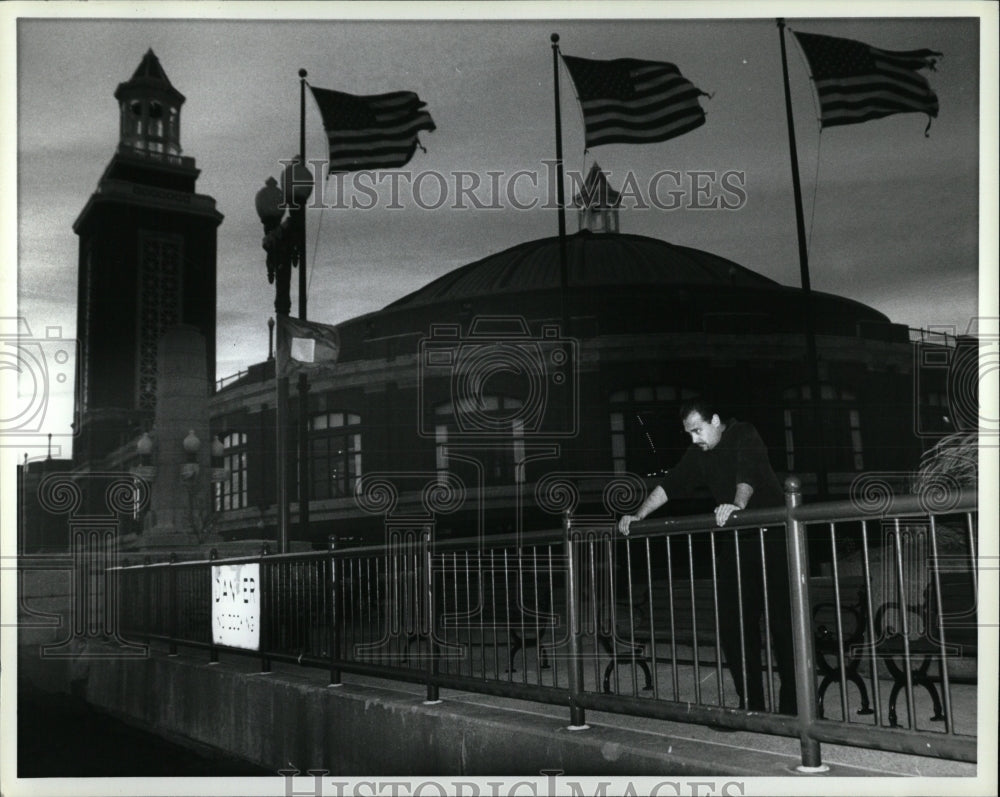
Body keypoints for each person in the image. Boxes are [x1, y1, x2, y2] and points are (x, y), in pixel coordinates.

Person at [617, 399, 797, 715]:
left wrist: (737, 506)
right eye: (689, 434)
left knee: (783, 625)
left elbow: (748, 472)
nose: (694, 439)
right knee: (734, 626)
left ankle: (795, 706)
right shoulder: (698, 454)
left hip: (775, 539)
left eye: (698, 431)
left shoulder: (744, 433)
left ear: (715, 420)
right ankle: (751, 705)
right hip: (739, 542)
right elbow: (672, 483)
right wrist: (638, 515)